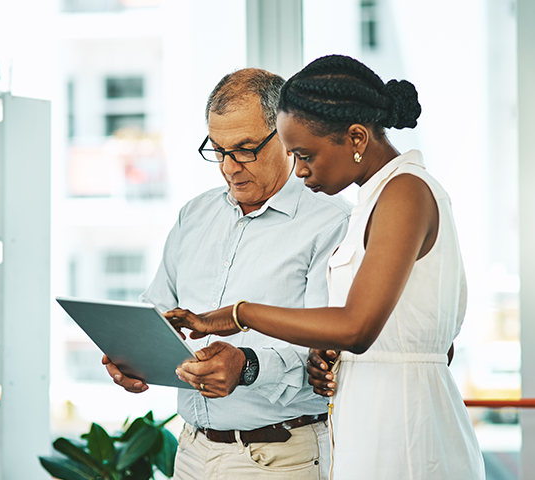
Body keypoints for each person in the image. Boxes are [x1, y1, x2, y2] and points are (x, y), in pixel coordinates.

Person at [168, 55, 486, 479]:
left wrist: (238, 314)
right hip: (366, 412)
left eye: (305, 154)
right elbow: (394, 328)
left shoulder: (405, 191)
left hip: (403, 422)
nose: (299, 170)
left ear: (356, 137)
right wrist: (327, 359)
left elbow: (357, 327)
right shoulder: (373, 201)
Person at [103, 68, 352, 480]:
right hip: (192, 451)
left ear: (286, 136)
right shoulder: (195, 215)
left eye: (245, 149)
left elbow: (330, 352)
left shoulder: (331, 224)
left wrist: (248, 366)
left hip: (279, 458)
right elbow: (159, 310)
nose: (229, 167)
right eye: (218, 150)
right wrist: (131, 351)